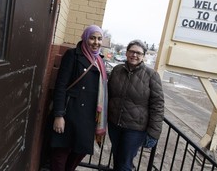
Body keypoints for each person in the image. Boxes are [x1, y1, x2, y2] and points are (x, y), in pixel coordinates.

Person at [50, 25, 108, 171]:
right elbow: (61, 86)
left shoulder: (100, 60)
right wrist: (58, 115)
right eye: (92, 38)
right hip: (70, 111)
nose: (96, 42)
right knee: (61, 153)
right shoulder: (73, 55)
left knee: (80, 150)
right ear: (85, 38)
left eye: (99, 39)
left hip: (88, 116)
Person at [108, 39, 164, 171]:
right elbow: (108, 94)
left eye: (138, 53)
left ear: (143, 56)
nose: (134, 55)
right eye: (132, 52)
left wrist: (154, 133)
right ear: (126, 53)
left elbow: (158, 105)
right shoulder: (117, 70)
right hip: (114, 124)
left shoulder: (152, 75)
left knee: (125, 163)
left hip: (135, 128)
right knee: (117, 158)